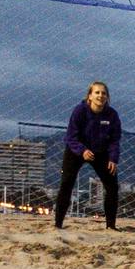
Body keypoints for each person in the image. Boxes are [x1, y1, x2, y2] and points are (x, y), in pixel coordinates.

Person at [54, 80, 122, 230]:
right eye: (97, 92)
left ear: (107, 97)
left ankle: (111, 226)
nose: (100, 96)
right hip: (77, 150)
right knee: (66, 184)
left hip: (101, 152)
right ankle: (58, 224)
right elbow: (70, 137)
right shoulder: (79, 111)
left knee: (112, 187)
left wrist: (113, 158)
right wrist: (82, 150)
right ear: (89, 96)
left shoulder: (112, 115)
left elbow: (115, 140)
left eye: (104, 93)